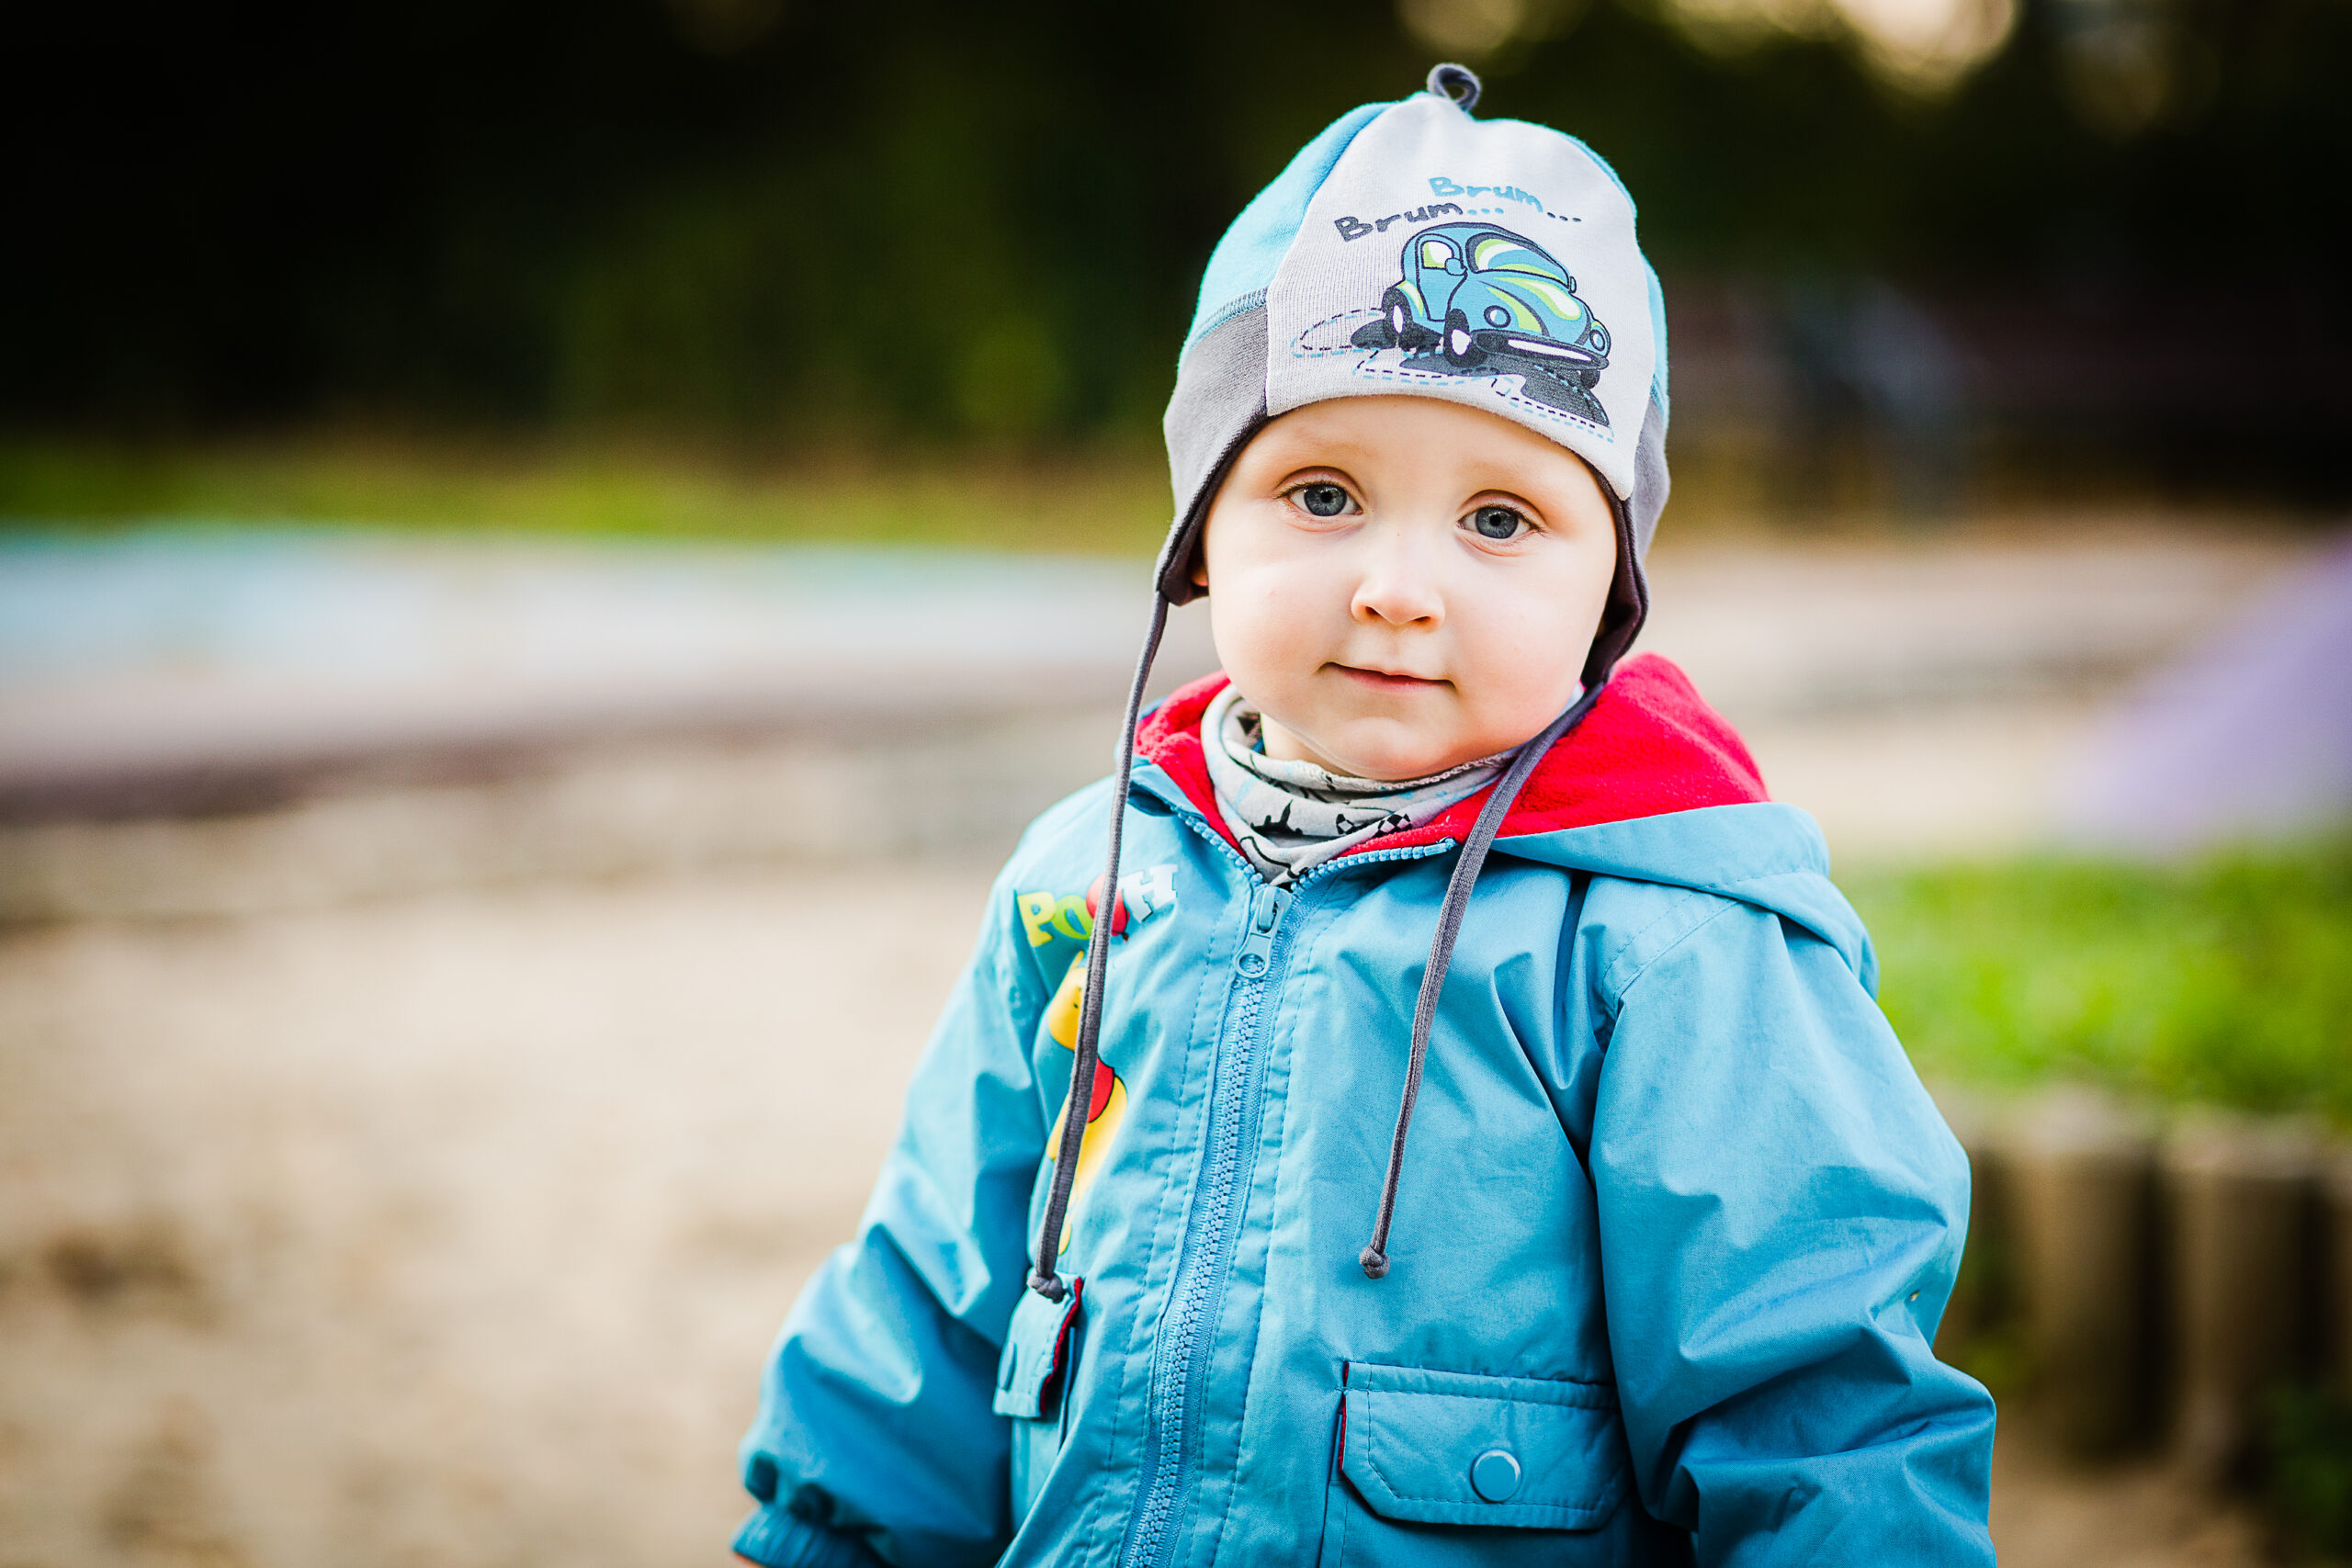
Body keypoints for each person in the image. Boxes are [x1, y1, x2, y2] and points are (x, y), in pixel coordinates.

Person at [732, 64, 1996, 1568]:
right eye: (1322, 495)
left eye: (1500, 520)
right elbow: (929, 1306)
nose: (1399, 585)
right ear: (1204, 532)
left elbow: (1820, 1411)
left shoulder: (1668, 942)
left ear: (1612, 585)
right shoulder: (1089, 881)